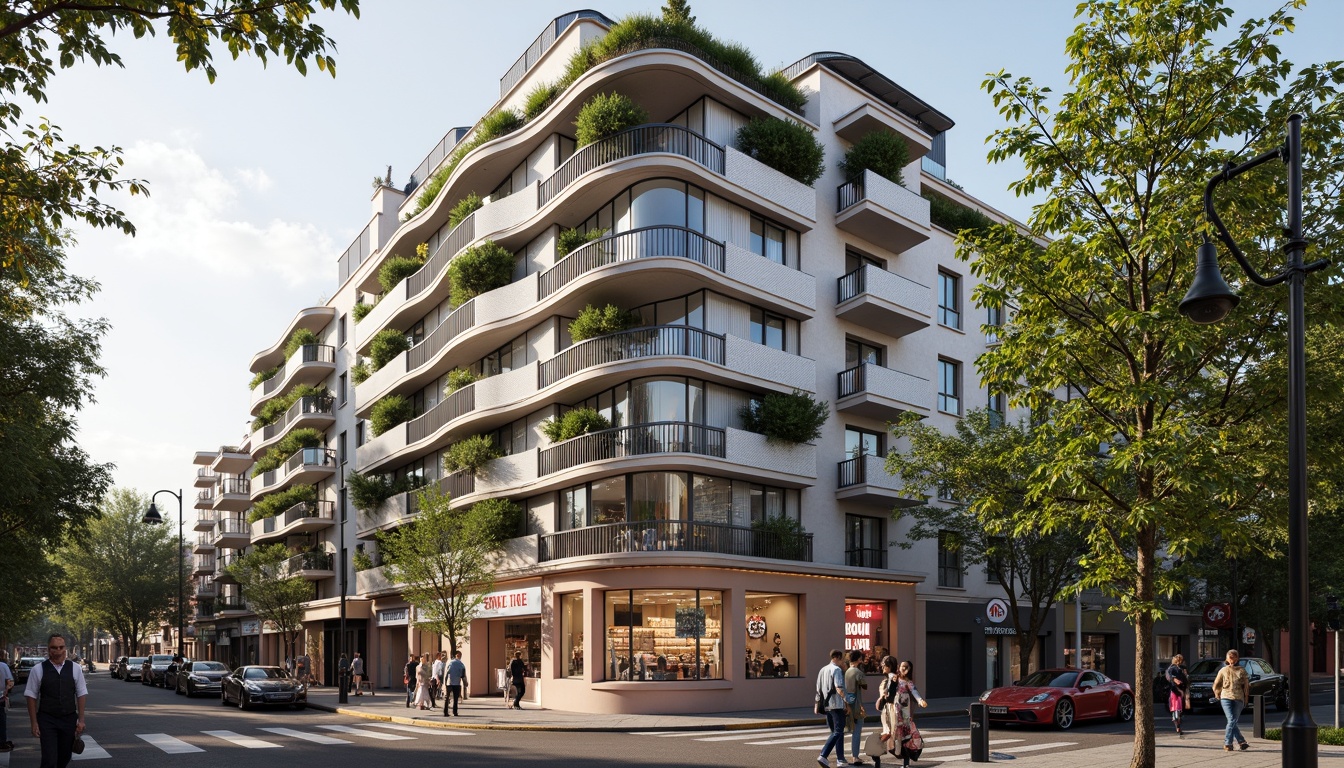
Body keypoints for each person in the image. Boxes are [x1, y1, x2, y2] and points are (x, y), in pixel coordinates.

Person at [25, 633, 88, 768]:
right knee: (49, 759)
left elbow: (81, 693)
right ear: (49, 649)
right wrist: (34, 722)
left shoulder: (75, 669)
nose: (58, 651)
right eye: (54, 648)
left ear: (65, 648)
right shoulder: (38, 669)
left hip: (69, 718)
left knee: (65, 756)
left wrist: (81, 720)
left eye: (61, 647)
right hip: (47, 719)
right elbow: (31, 696)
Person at [889, 659, 926, 768]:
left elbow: (914, 691)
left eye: (907, 667)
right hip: (894, 713)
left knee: (906, 738)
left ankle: (906, 762)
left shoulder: (908, 682)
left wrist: (920, 700)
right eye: (903, 666)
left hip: (904, 715)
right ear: (899, 667)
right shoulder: (894, 678)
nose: (904, 668)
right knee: (896, 738)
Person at [815, 648, 848, 768]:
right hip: (837, 704)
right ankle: (824, 755)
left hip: (826, 705)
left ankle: (841, 758)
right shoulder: (836, 670)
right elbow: (839, 688)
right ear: (837, 657)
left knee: (836, 732)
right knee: (838, 731)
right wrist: (847, 702)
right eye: (842, 659)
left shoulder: (822, 669)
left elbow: (818, 689)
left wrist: (816, 704)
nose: (842, 661)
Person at [1213, 649, 1250, 752]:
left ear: (1237, 658)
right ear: (1227, 659)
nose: (1232, 659)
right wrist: (1217, 693)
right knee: (1231, 720)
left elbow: (1246, 686)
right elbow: (1216, 684)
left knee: (1233, 721)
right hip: (1226, 698)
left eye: (1234, 657)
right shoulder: (1223, 670)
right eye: (1230, 657)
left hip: (1238, 698)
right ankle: (1228, 743)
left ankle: (1241, 741)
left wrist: (1246, 698)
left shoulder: (1242, 671)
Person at [844, 649, 869, 765]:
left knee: (848, 730)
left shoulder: (847, 671)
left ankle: (844, 756)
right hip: (857, 704)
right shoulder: (858, 672)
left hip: (847, 702)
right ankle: (855, 756)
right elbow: (865, 686)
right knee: (857, 731)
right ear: (859, 659)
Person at [1165, 654, 1189, 736]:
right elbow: (1173, 679)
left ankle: (1178, 725)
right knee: (1177, 709)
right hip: (1176, 691)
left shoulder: (1178, 669)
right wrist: (1179, 688)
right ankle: (1177, 726)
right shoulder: (1174, 669)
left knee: (1177, 709)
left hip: (1177, 691)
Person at [443, 651, 467, 717]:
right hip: (457, 683)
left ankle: (445, 712)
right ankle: (455, 712)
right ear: (459, 655)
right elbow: (463, 675)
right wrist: (465, 683)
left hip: (449, 682)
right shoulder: (461, 664)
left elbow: (446, 673)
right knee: (455, 698)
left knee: (447, 698)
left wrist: (444, 683)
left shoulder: (449, 663)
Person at [1, 649, 14, 752]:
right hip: (0, 697)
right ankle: (1, 742)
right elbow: (10, 682)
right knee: (1, 720)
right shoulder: (3, 666)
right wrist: (6, 691)